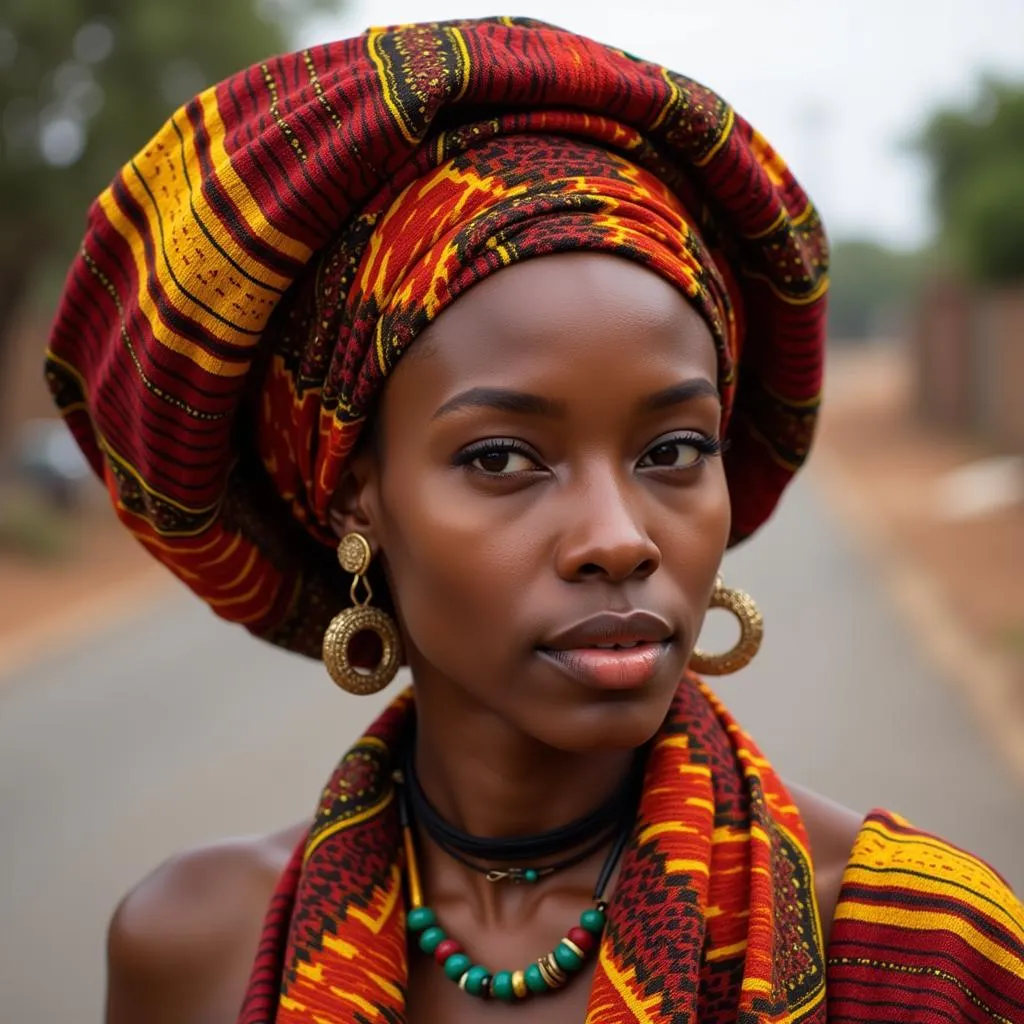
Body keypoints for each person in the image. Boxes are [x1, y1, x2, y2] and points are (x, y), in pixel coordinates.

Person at [46, 17, 1024, 1024]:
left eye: (672, 451)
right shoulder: (197, 949)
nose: (618, 536)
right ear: (354, 496)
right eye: (502, 457)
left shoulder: (915, 954)